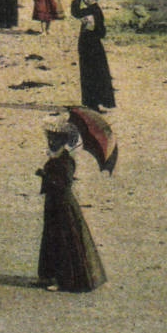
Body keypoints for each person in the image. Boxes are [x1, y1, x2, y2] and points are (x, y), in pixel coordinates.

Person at [36, 120, 105, 292]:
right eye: (50, 139)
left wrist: (45, 175)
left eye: (54, 139)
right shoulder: (58, 157)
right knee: (53, 239)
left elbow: (64, 183)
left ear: (62, 141)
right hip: (54, 203)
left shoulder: (66, 161)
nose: (50, 142)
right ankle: (51, 276)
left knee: (63, 241)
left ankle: (64, 280)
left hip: (62, 205)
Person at [69, 0, 115, 109]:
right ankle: (96, 102)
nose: (85, 0)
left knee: (91, 74)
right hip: (92, 45)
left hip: (91, 46)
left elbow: (76, 12)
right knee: (96, 73)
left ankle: (93, 103)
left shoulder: (93, 10)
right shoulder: (94, 9)